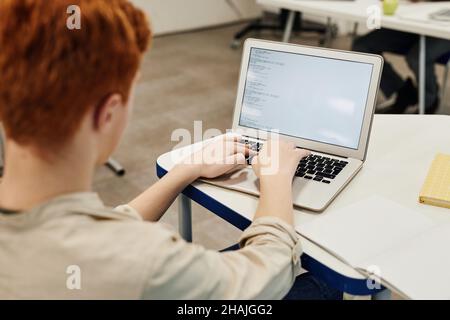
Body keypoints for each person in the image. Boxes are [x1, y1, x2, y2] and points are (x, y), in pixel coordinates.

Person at [0, 0, 341, 299]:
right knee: (326, 283)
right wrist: (277, 178)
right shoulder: (144, 260)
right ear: (108, 113)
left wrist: (183, 171)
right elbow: (266, 276)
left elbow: (96, 233)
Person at [352, 0, 450, 114]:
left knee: (418, 57)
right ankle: (404, 92)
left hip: (443, 28)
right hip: (411, 20)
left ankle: (429, 101)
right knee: (362, 46)